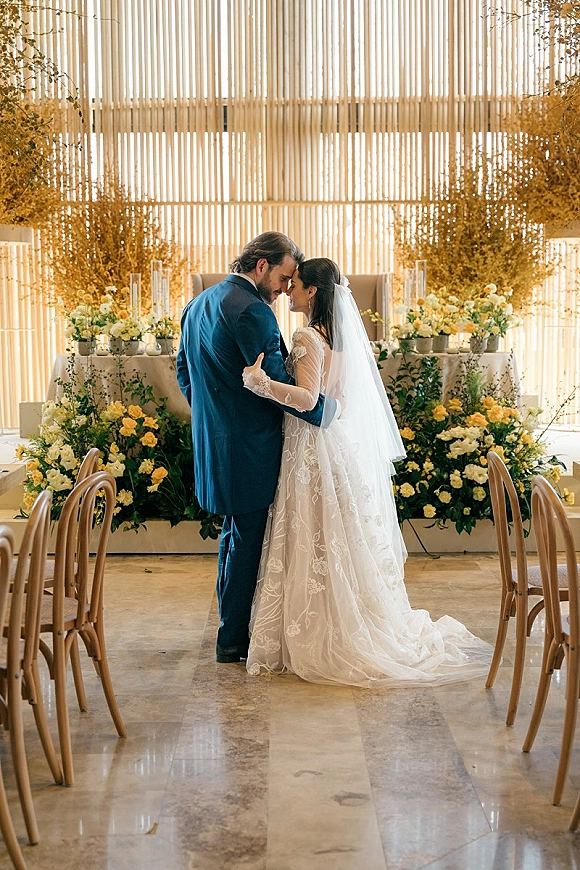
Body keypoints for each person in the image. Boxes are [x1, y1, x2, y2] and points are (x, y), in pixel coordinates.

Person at [242, 257, 493, 686]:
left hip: (311, 448)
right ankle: (344, 616)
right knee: (332, 538)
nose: (288, 291)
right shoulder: (338, 336)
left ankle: (322, 629)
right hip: (335, 444)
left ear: (313, 293)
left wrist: (258, 381)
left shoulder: (305, 336)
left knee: (316, 537)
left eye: (295, 284)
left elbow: (306, 398)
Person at [176, 233, 332, 664]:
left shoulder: (200, 303)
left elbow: (183, 370)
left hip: (217, 442)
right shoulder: (253, 312)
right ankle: (232, 641)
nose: (285, 288)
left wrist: (214, 416)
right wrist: (331, 413)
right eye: (283, 277)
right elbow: (281, 385)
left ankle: (231, 629)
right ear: (261, 266)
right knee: (244, 543)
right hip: (249, 447)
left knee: (233, 537)